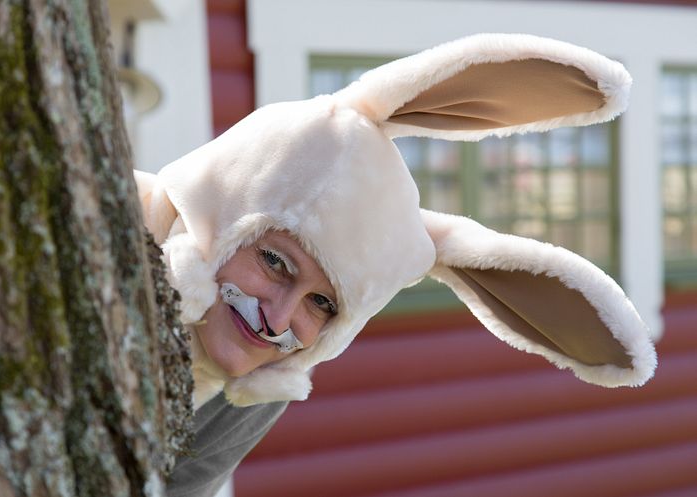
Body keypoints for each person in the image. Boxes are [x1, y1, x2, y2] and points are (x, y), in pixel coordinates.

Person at [134, 33, 658, 497]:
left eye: (322, 304)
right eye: (274, 262)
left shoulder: (260, 380)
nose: (277, 319)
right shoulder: (116, 223)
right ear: (217, 204)